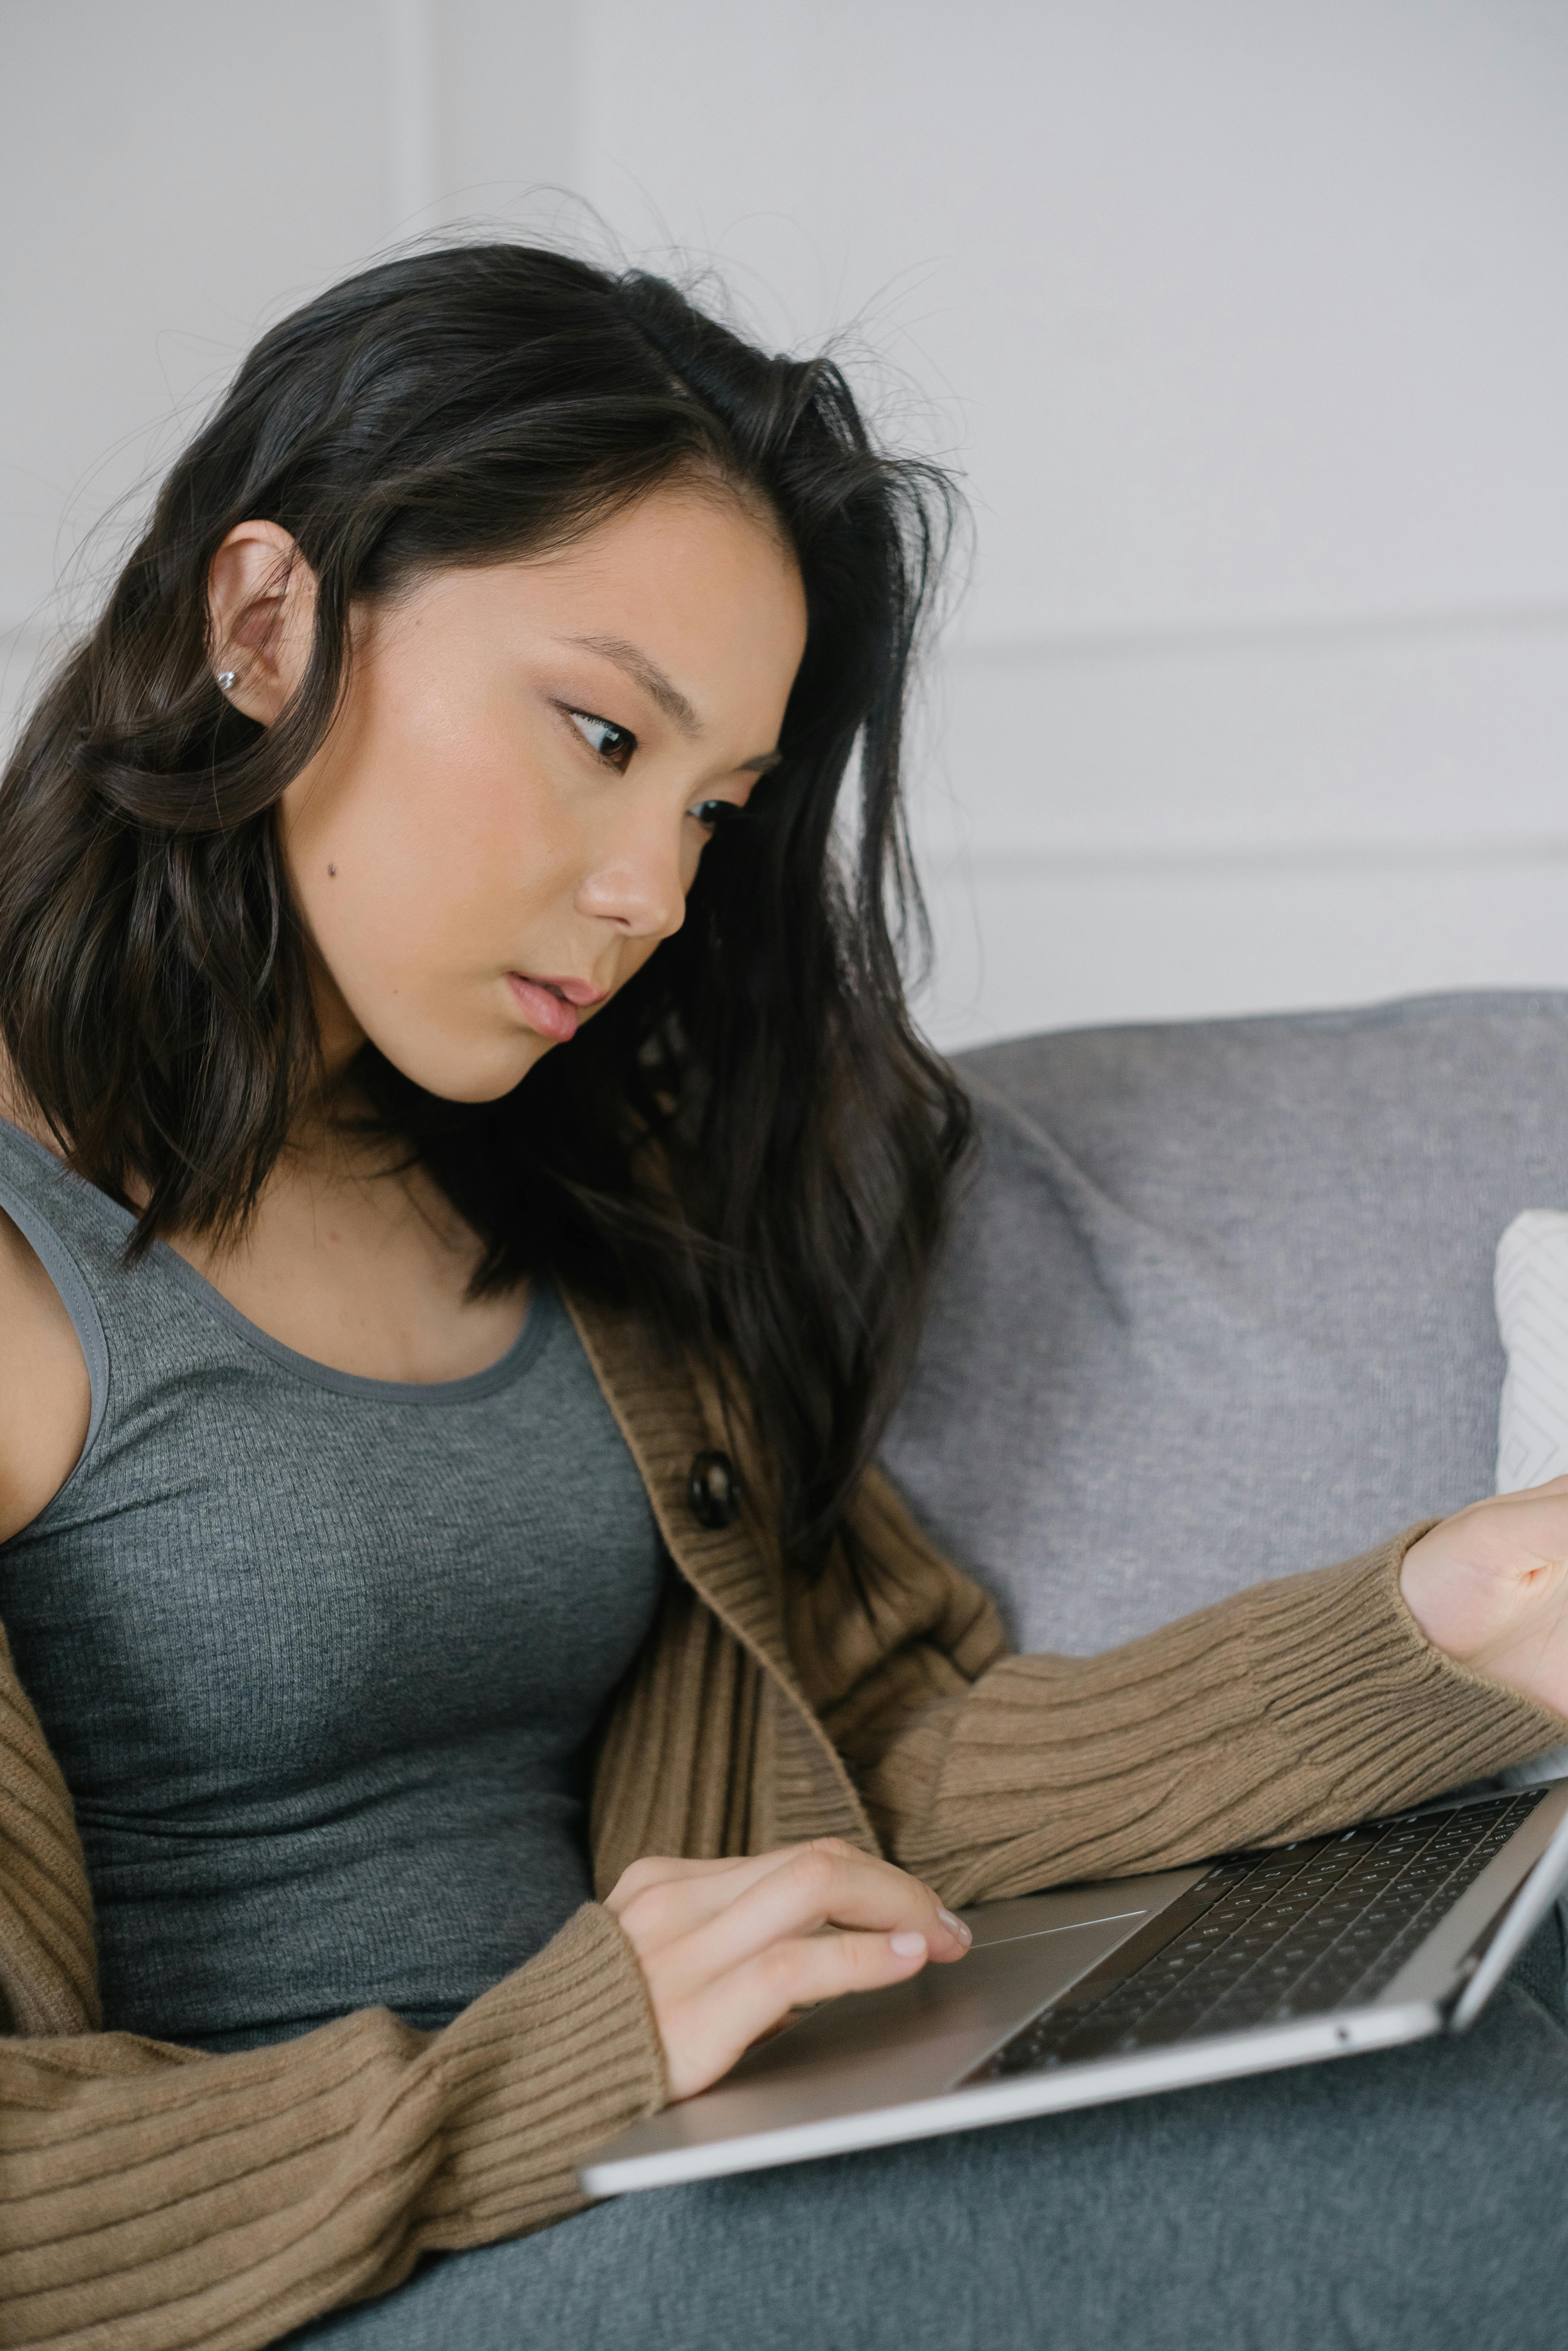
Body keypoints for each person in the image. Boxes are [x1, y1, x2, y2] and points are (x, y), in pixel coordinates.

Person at [0, 244, 1566, 2351]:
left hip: (656, 2179)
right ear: (266, 622)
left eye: (715, 810)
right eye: (596, 733)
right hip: (318, 2286)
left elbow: (865, 1776)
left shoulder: (564, 1193)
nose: (652, 894)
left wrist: (1425, 1637)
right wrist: (566, 2064)